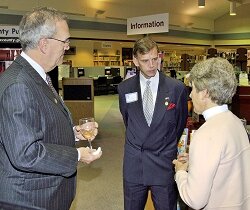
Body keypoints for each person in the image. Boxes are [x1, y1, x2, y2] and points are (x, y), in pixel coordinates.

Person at [0, 7, 102, 210]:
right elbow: (26, 153)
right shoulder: (19, 84)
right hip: (29, 200)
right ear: (44, 44)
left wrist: (74, 133)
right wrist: (78, 155)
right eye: (65, 41)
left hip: (43, 195)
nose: (67, 47)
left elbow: (37, 125)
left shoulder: (35, 75)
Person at [118, 36, 188, 210]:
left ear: (159, 57)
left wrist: (163, 142)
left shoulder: (176, 88)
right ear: (135, 60)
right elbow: (129, 120)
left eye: (155, 59)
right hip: (135, 163)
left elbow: (179, 124)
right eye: (145, 60)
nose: (151, 65)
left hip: (163, 161)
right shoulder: (125, 88)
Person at [173, 57, 250, 210]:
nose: (190, 95)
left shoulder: (206, 134)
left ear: (205, 93)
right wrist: (196, 160)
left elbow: (195, 200)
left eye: (193, 89)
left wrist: (180, 173)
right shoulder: (236, 122)